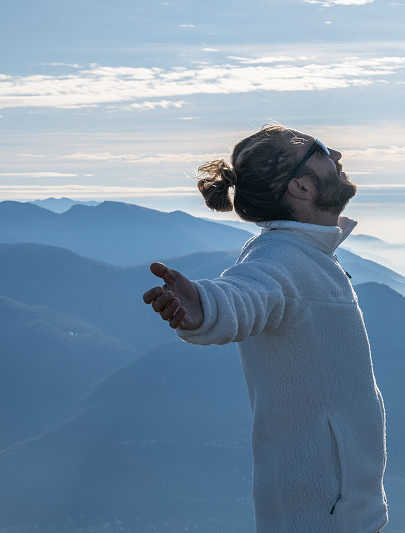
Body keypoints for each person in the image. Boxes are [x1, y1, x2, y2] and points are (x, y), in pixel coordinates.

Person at [141, 124, 389, 533]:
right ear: (301, 188)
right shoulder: (280, 258)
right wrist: (205, 307)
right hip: (322, 517)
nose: (338, 154)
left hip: (338, 509)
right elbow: (245, 294)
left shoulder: (304, 254)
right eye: (322, 149)